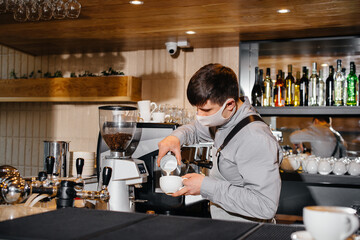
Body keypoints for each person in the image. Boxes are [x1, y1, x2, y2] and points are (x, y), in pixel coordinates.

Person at [157, 63, 283, 223]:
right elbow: (195, 129)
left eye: (206, 110)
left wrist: (205, 186)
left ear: (229, 104)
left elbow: (265, 206)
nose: (199, 116)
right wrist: (175, 137)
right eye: (197, 109)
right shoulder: (224, 119)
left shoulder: (255, 138)